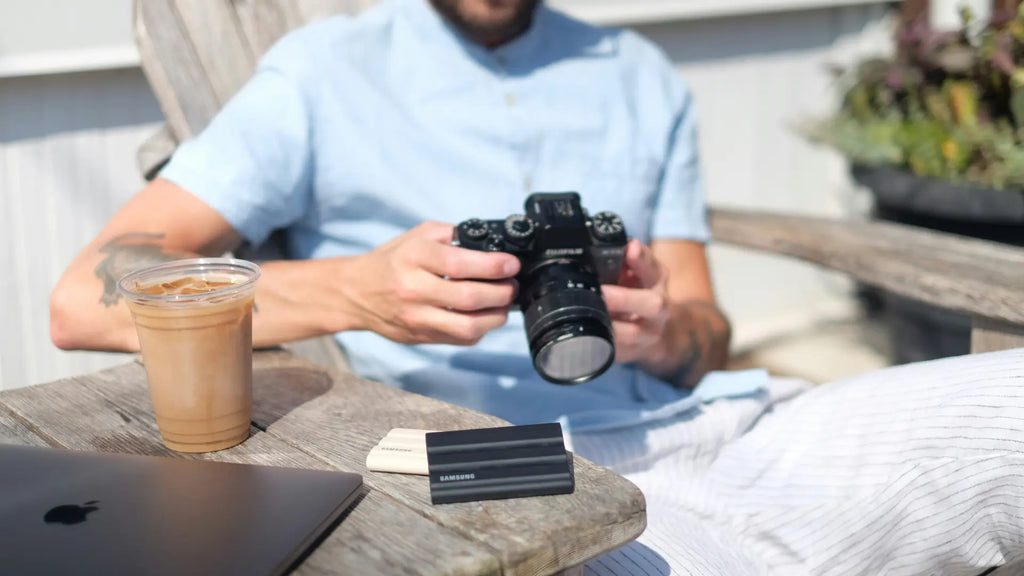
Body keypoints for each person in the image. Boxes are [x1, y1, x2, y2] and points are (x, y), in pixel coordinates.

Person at [50, 0, 1024, 574]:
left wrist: (658, 330)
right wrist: (355, 293)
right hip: (501, 473)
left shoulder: (637, 75)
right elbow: (85, 297)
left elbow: (708, 334)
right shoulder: (322, 74)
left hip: (723, 430)